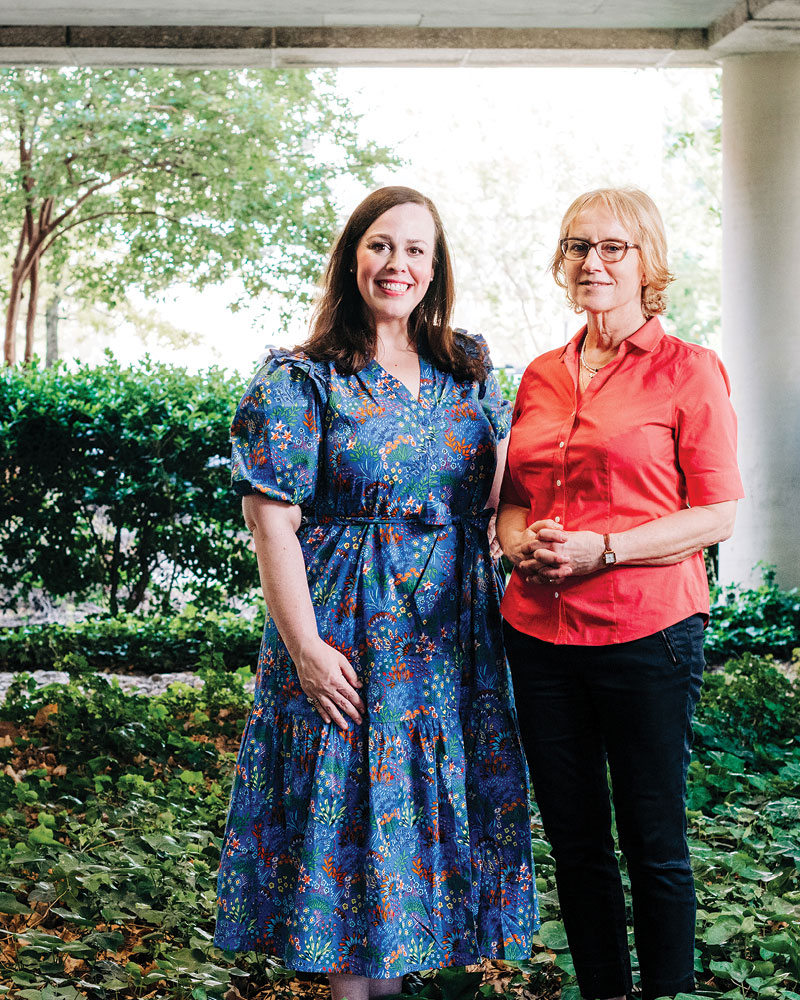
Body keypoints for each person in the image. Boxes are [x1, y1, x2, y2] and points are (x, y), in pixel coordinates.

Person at [214, 186, 537, 1000]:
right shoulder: (302, 378)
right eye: (381, 245)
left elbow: (506, 496)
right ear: (351, 257)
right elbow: (271, 526)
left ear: (437, 266)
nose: (399, 264)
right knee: (350, 832)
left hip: (449, 644)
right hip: (347, 635)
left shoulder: (469, 367)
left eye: (417, 249)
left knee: (409, 855)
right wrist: (307, 651)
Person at [496, 187, 744, 1000]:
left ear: (648, 263)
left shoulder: (691, 371)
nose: (592, 262)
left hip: (648, 634)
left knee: (653, 837)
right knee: (573, 838)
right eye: (577, 247)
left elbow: (717, 512)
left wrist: (605, 548)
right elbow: (514, 500)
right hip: (538, 637)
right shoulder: (538, 374)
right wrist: (517, 547)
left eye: (612, 247)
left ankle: (665, 993)